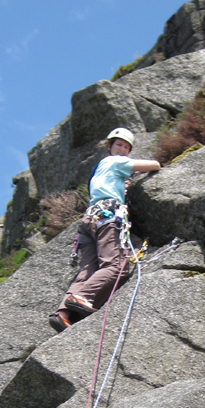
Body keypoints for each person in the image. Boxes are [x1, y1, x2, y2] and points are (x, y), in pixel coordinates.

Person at [49, 127, 160, 333]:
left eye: (126, 147)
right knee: (117, 267)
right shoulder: (115, 161)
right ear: (109, 147)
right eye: (119, 145)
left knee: (86, 271)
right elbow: (154, 165)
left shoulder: (100, 169)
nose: (123, 150)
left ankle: (62, 314)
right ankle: (82, 297)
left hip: (89, 220)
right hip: (108, 217)